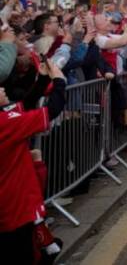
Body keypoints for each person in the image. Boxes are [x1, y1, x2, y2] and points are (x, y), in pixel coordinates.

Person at [0, 58, 66, 261]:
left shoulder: (4, 117)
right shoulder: (5, 124)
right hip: (15, 209)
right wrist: (60, 81)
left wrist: (44, 77)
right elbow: (52, 110)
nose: (2, 89)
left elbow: (25, 105)